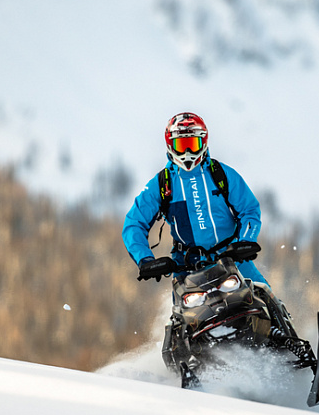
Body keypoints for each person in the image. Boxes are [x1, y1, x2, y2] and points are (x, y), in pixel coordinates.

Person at [122, 112, 300, 342]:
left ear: (204, 143)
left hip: (231, 259)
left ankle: (295, 347)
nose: (187, 152)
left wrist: (243, 242)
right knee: (182, 323)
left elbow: (250, 210)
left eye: (193, 144)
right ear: (170, 145)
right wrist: (145, 260)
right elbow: (134, 223)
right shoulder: (162, 184)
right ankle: (185, 365)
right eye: (181, 144)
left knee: (265, 296)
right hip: (187, 267)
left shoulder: (221, 174)